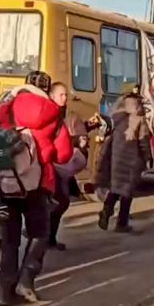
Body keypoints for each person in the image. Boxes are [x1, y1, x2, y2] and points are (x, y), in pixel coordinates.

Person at [0, 73, 73, 306]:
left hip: (8, 179)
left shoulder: (7, 107)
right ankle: (26, 281)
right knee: (39, 233)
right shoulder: (53, 113)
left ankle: (6, 289)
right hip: (38, 182)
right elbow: (63, 154)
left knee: (9, 237)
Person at [96, 93, 152, 233]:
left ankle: (106, 212)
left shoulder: (115, 118)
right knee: (127, 192)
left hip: (116, 159)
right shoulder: (139, 120)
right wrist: (148, 157)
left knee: (115, 189)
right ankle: (122, 223)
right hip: (132, 161)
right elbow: (143, 142)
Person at [49, 81, 90, 250]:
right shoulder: (49, 114)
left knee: (61, 202)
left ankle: (48, 237)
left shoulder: (69, 115)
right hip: (54, 165)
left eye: (66, 94)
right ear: (52, 96)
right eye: (61, 94)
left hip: (64, 165)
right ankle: (44, 237)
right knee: (60, 201)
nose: (64, 98)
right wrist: (75, 140)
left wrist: (83, 135)